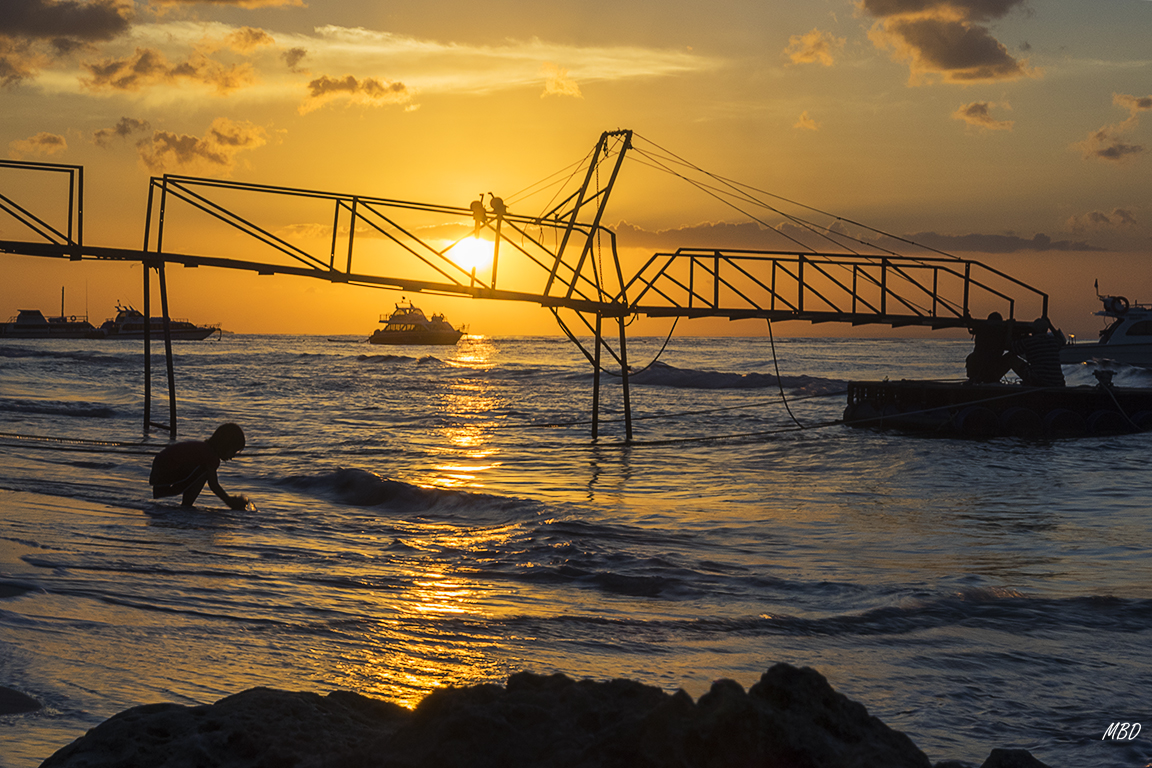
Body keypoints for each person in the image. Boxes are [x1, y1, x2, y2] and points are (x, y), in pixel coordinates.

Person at [149, 423, 250, 509]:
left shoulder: (204, 449)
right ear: (225, 446)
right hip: (163, 475)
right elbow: (213, 485)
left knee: (203, 469)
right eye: (233, 451)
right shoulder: (210, 456)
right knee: (205, 471)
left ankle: (186, 504)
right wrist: (230, 502)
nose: (232, 456)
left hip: (160, 474)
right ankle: (186, 505)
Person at [965, 312, 1024, 384]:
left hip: (990, 370)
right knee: (1010, 357)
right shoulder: (1001, 332)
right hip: (991, 371)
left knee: (973, 357)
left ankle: (974, 379)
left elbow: (970, 323)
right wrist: (1010, 329)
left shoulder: (981, 330)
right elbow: (1009, 345)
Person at [1013, 318, 1066, 387]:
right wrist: (1050, 325)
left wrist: (1010, 329)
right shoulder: (1053, 341)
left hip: (1039, 382)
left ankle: (995, 380)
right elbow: (1062, 340)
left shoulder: (1029, 342)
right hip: (1058, 382)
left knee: (1010, 358)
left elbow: (1011, 346)